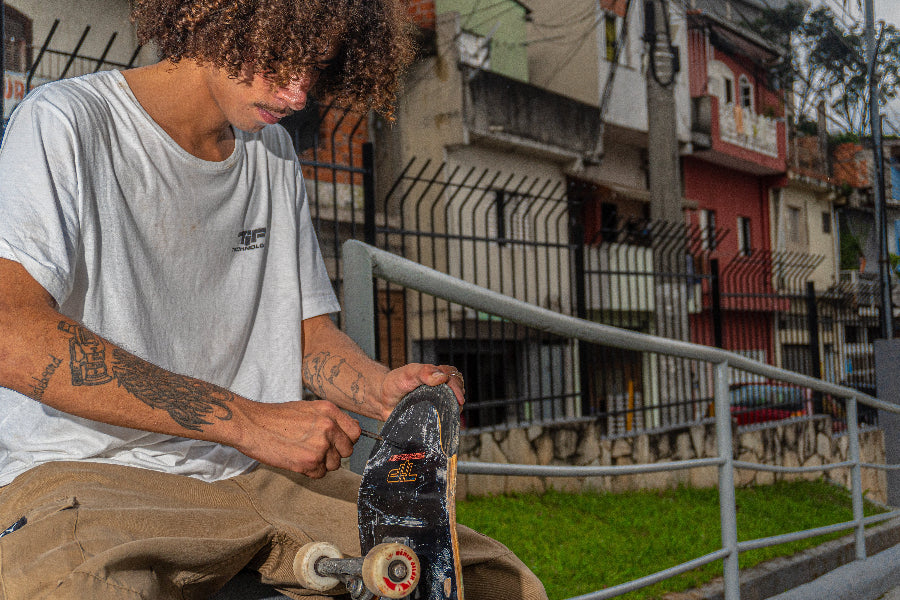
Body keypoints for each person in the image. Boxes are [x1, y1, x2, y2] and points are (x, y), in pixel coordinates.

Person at [0, 0, 548, 598]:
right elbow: (11, 333)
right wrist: (248, 421)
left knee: (497, 583)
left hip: (253, 477)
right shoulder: (65, 121)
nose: (297, 95)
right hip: (89, 475)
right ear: (215, 15)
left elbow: (306, 333)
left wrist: (376, 389)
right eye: (284, 59)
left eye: (315, 68)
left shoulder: (273, 151)